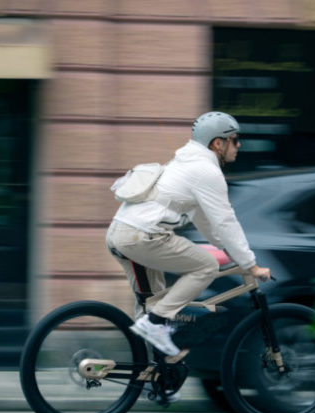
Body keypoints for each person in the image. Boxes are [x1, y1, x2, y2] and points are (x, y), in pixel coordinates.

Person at [105, 111, 271, 356]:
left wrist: (228, 249)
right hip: (143, 236)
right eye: (234, 139)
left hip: (120, 234)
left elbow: (203, 219)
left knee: (153, 302)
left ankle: (156, 377)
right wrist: (250, 264)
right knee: (206, 266)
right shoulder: (206, 171)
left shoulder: (185, 165)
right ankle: (155, 323)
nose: (239, 145)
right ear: (218, 143)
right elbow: (226, 221)